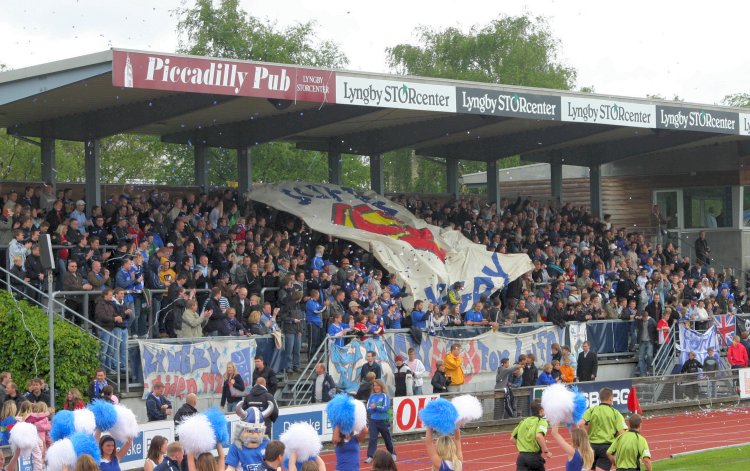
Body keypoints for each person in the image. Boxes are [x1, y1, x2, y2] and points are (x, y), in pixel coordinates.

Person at [579, 387, 628, 471]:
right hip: (606, 447)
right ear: (610, 398)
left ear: (599, 398)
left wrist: (586, 437)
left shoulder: (592, 410)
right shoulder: (615, 413)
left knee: (586, 468)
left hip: (591, 446)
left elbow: (580, 424)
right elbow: (622, 433)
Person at [226, 407, 273, 471]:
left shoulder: (267, 444)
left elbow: (275, 465)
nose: (255, 436)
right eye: (250, 431)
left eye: (259, 431)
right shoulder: (236, 447)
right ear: (240, 430)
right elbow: (230, 468)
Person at [511, 399, 551, 471]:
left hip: (521, 458)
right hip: (533, 458)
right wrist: (546, 451)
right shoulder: (542, 421)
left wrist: (524, 446)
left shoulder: (523, 421)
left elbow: (512, 439)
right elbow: (539, 436)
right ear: (541, 410)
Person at [365, 379, 396, 464]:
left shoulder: (384, 396)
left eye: (377, 385)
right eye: (374, 385)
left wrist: (376, 407)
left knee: (387, 438)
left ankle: (392, 453)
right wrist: (375, 408)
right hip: (373, 421)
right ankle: (370, 456)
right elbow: (368, 408)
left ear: (381, 386)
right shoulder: (371, 396)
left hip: (383, 421)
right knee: (372, 439)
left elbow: (385, 408)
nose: (376, 387)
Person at [635, 311, 657, 377]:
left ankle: (649, 369)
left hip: (650, 341)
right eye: (643, 318)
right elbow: (635, 325)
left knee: (649, 355)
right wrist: (637, 318)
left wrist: (655, 339)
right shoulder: (640, 321)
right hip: (642, 341)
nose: (644, 319)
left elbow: (656, 329)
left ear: (647, 316)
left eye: (646, 317)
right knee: (641, 358)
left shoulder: (651, 320)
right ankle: (642, 373)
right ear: (642, 317)